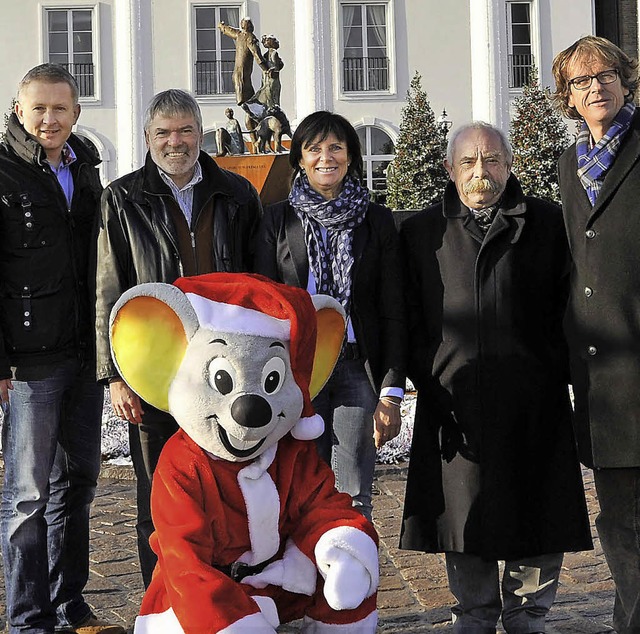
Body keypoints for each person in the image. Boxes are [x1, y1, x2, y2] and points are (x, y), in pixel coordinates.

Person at [398, 122, 592, 633]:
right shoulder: (422, 232)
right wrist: (426, 372)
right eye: (468, 162)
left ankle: (529, 615)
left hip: (535, 399)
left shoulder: (548, 224)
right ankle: (475, 615)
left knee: (538, 515)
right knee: (465, 521)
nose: (480, 172)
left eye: (491, 161)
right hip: (456, 402)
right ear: (449, 169)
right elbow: (407, 313)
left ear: (509, 166)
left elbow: (572, 305)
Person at [95, 88, 262, 588]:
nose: (176, 142)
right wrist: (115, 376)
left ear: (201, 134)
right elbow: (108, 287)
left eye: (186, 131)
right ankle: (164, 602)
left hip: (227, 374)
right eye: (164, 133)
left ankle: (230, 600)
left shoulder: (237, 194)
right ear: (148, 138)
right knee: (158, 494)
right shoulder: (122, 198)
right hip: (156, 370)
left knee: (230, 492)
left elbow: (259, 283)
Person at [0, 64, 125, 634]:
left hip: (82, 356)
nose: (50, 118)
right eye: (39, 108)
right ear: (19, 111)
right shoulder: (4, 172)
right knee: (27, 496)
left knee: (75, 485)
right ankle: (28, 617)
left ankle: (69, 604)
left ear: (76, 114)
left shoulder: (87, 169)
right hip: (31, 361)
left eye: (61, 108)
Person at [255, 110, 406, 521]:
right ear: (300, 159)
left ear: (351, 156)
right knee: (300, 487)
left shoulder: (376, 221)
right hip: (299, 370)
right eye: (314, 148)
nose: (326, 157)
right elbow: (264, 304)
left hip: (358, 368)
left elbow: (394, 308)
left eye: (336, 147)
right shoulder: (276, 219)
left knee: (354, 490)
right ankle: (308, 583)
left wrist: (392, 390)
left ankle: (353, 583)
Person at [552, 36, 640, 634]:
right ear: (569, 97)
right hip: (599, 372)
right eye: (581, 82)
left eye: (605, 75)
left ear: (625, 82)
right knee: (620, 514)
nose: (595, 88)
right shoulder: (569, 165)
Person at [218, 18, 268, 106]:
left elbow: (229, 30)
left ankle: (246, 103)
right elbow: (257, 54)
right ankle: (246, 104)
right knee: (249, 100)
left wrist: (222, 26)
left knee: (249, 99)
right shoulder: (250, 38)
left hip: (237, 74)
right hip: (244, 74)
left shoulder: (239, 34)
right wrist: (266, 68)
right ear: (251, 26)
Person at [251, 34, 284, 110]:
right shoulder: (274, 53)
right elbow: (276, 66)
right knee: (274, 98)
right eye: (275, 41)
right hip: (273, 79)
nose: (277, 42)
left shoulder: (266, 54)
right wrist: (278, 65)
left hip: (266, 79)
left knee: (268, 97)